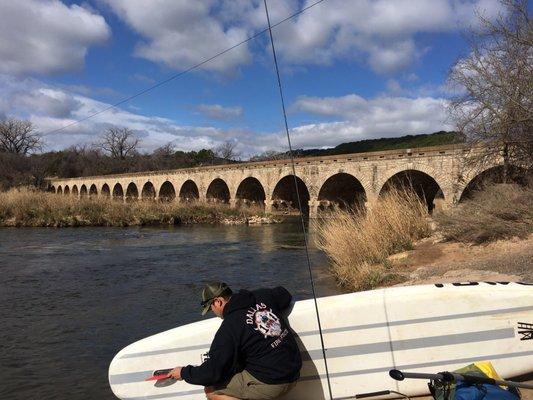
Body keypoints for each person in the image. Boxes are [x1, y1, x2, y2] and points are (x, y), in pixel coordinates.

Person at [168, 282, 302, 400]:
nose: (213, 312)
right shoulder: (261, 296)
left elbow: (212, 373)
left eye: (211, 308)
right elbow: (285, 294)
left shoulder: (229, 328)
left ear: (218, 301)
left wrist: (184, 372)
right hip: (295, 370)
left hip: (275, 382)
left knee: (212, 390)